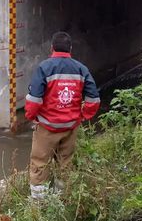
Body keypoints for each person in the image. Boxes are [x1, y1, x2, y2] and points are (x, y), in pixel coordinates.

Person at [25, 31, 100, 200]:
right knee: (65, 164)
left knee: (39, 164)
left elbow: (34, 100)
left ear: (51, 48)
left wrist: (32, 117)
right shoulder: (81, 69)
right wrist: (83, 116)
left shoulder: (44, 68)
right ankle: (62, 199)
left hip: (47, 128)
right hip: (70, 127)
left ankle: (39, 204)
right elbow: (93, 99)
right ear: (70, 49)